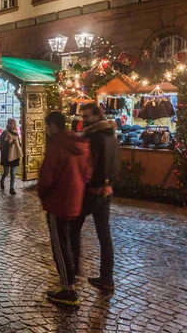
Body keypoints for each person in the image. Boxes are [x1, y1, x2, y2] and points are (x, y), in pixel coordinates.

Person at [38, 111, 92, 307]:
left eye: (47, 126)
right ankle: (72, 277)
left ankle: (68, 289)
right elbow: (87, 173)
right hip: (76, 198)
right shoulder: (79, 142)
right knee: (68, 240)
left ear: (52, 125)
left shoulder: (56, 144)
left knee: (59, 245)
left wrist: (43, 194)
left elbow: (47, 175)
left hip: (58, 200)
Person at [70, 103, 121, 291]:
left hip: (90, 192)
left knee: (73, 228)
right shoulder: (112, 137)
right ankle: (107, 277)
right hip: (106, 191)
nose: (83, 119)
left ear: (95, 116)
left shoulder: (93, 138)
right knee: (104, 235)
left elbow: (86, 167)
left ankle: (72, 270)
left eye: (86, 116)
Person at [0, 118, 22, 195]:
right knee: (6, 172)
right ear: (9, 124)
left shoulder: (16, 133)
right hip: (6, 156)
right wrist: (7, 142)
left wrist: (17, 144)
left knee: (13, 172)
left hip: (14, 155)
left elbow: (18, 143)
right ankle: (2, 181)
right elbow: (0, 144)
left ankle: (11, 188)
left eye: (15, 123)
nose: (14, 125)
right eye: (12, 123)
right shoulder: (5, 133)